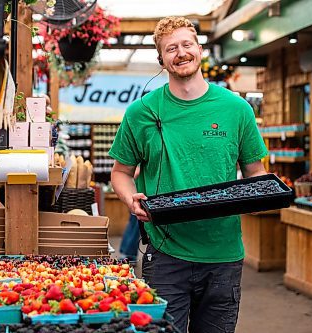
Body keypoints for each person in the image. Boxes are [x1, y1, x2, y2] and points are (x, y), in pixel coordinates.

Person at [108, 17, 268, 333]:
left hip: (222, 253)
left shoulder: (236, 109)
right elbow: (121, 172)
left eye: (186, 44)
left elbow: (255, 172)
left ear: (199, 49)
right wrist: (130, 199)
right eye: (171, 48)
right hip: (165, 252)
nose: (181, 53)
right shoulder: (141, 113)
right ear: (161, 59)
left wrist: (260, 194)